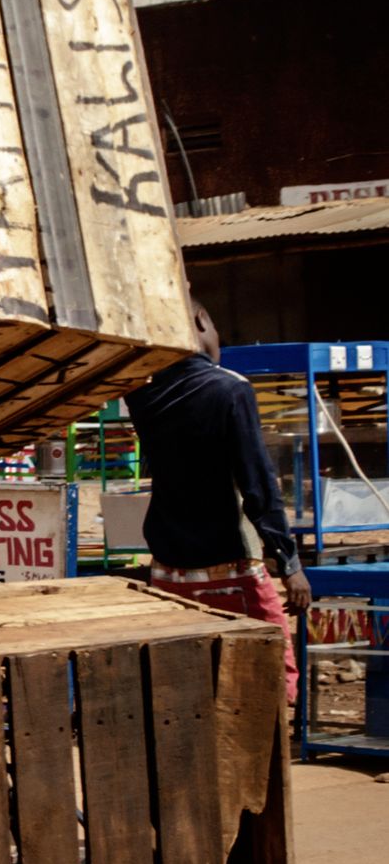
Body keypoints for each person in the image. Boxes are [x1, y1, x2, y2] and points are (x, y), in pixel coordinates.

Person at [125, 299, 311, 703]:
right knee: (270, 680)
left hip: (168, 567)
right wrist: (289, 561)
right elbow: (258, 482)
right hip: (231, 564)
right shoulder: (230, 388)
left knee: (187, 684)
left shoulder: (143, 398)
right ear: (201, 320)